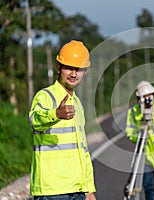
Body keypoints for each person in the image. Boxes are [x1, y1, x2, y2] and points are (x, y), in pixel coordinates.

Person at [29, 40, 96, 200]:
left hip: (77, 189)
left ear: (84, 72)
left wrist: (89, 189)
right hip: (52, 191)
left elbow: (83, 149)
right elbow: (35, 120)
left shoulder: (77, 104)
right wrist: (56, 114)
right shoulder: (46, 96)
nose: (74, 74)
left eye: (78, 69)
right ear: (58, 67)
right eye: (69, 68)